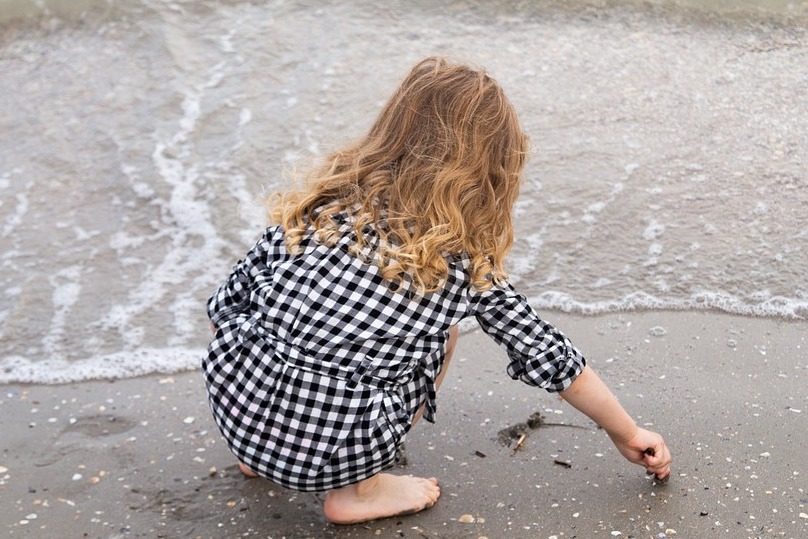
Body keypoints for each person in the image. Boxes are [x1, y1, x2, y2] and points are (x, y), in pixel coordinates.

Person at [202, 56, 672, 525]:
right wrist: (626, 432)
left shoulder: (321, 206)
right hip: (334, 446)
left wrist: (265, 387)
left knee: (270, 321)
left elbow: (226, 304)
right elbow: (546, 352)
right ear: (487, 169)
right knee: (443, 335)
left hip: (236, 408)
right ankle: (359, 491)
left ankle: (260, 453)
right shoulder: (459, 263)